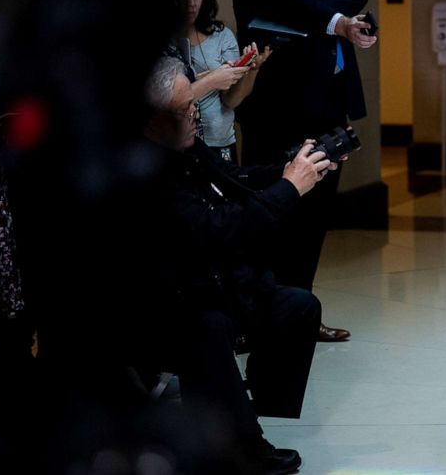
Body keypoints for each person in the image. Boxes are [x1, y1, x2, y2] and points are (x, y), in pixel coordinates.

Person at [139, 56, 336, 474]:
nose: (195, 115)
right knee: (208, 326)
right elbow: (216, 228)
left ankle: (243, 413)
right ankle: (243, 442)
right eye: (183, 110)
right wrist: (287, 189)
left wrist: (296, 171)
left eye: (193, 104)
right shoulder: (148, 173)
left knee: (299, 307)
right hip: (160, 306)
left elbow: (235, 181)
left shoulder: (190, 149)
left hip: (208, 284)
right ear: (150, 121)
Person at [230, 0, 377, 342]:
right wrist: (334, 18)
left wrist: (324, 12)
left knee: (315, 215)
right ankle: (256, 318)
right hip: (282, 105)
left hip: (329, 99)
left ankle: (300, 313)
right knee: (274, 213)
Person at [170, 0, 271, 164]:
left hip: (219, 139)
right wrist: (213, 79)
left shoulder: (221, 36)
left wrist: (251, 70)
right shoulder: (165, 43)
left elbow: (231, 101)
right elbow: (167, 100)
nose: (191, 3)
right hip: (178, 143)